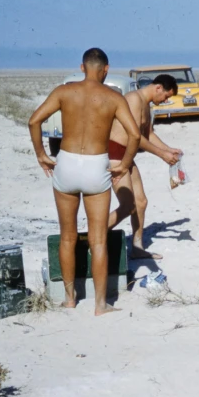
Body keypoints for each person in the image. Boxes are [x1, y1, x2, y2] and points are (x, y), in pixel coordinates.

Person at [28, 48, 141, 316]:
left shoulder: (64, 92)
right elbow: (134, 135)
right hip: (95, 165)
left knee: (67, 236)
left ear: (82, 67)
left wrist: (42, 155)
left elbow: (34, 121)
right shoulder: (113, 97)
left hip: (65, 163)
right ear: (105, 69)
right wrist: (124, 165)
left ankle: (70, 298)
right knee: (98, 239)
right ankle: (101, 305)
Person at [106, 74, 182, 259]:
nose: (165, 101)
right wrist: (162, 155)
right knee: (127, 206)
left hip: (127, 156)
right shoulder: (133, 99)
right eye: (166, 96)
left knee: (140, 203)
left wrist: (169, 149)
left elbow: (148, 134)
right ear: (158, 88)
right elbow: (136, 138)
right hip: (115, 155)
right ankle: (93, 234)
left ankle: (137, 248)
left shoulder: (146, 104)